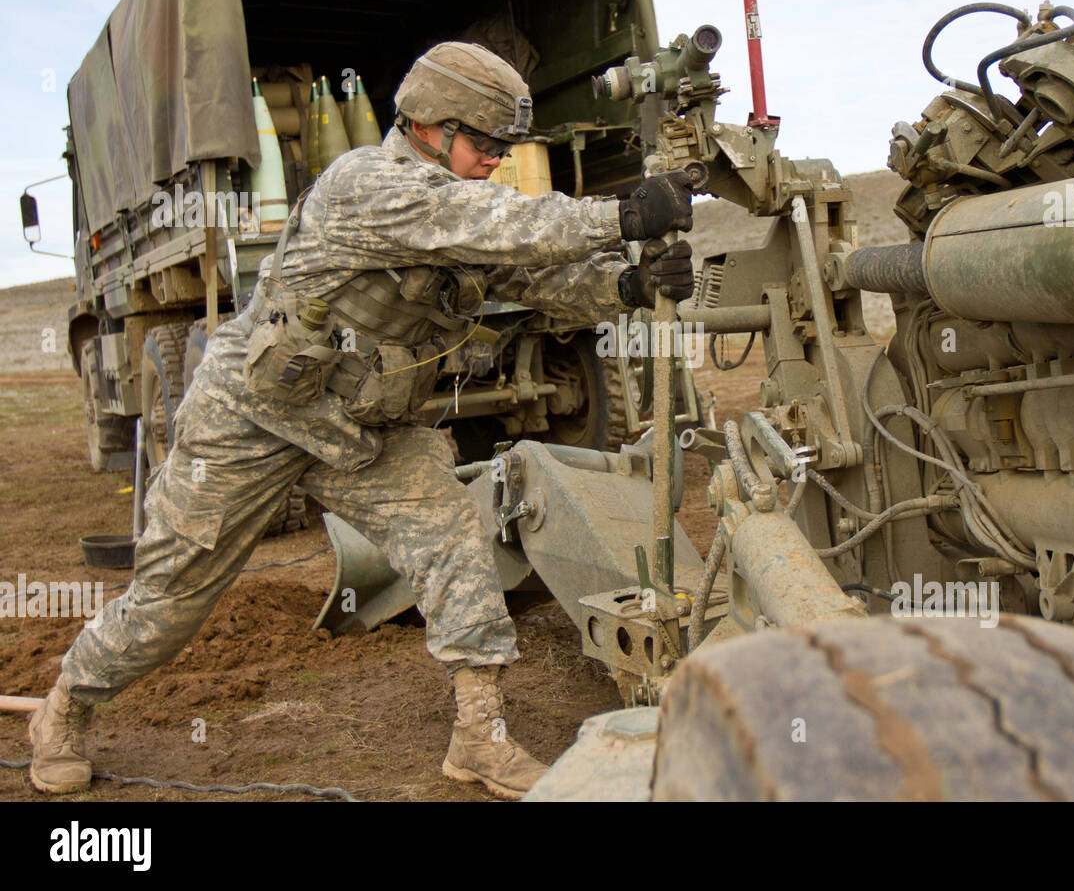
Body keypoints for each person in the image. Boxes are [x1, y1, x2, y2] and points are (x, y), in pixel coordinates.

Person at [29, 42, 695, 801]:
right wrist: (624, 213)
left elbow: (532, 278)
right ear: (430, 126)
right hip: (254, 419)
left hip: (360, 430)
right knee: (169, 602)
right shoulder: (369, 185)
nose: (494, 160)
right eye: (485, 144)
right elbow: (499, 222)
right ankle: (64, 711)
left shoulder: (455, 207)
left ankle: (480, 737)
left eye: (504, 148)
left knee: (453, 538)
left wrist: (628, 284)